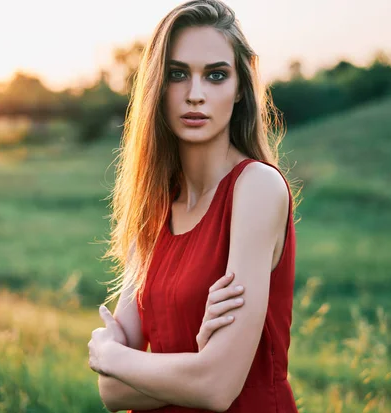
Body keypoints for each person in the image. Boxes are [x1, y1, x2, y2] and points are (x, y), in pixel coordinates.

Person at [88, 0, 301, 411]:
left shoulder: (256, 187)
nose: (195, 95)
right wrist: (193, 365)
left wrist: (114, 356)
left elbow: (216, 388)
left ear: (241, 87)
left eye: (216, 75)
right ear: (156, 86)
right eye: (177, 74)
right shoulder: (152, 207)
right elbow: (111, 392)